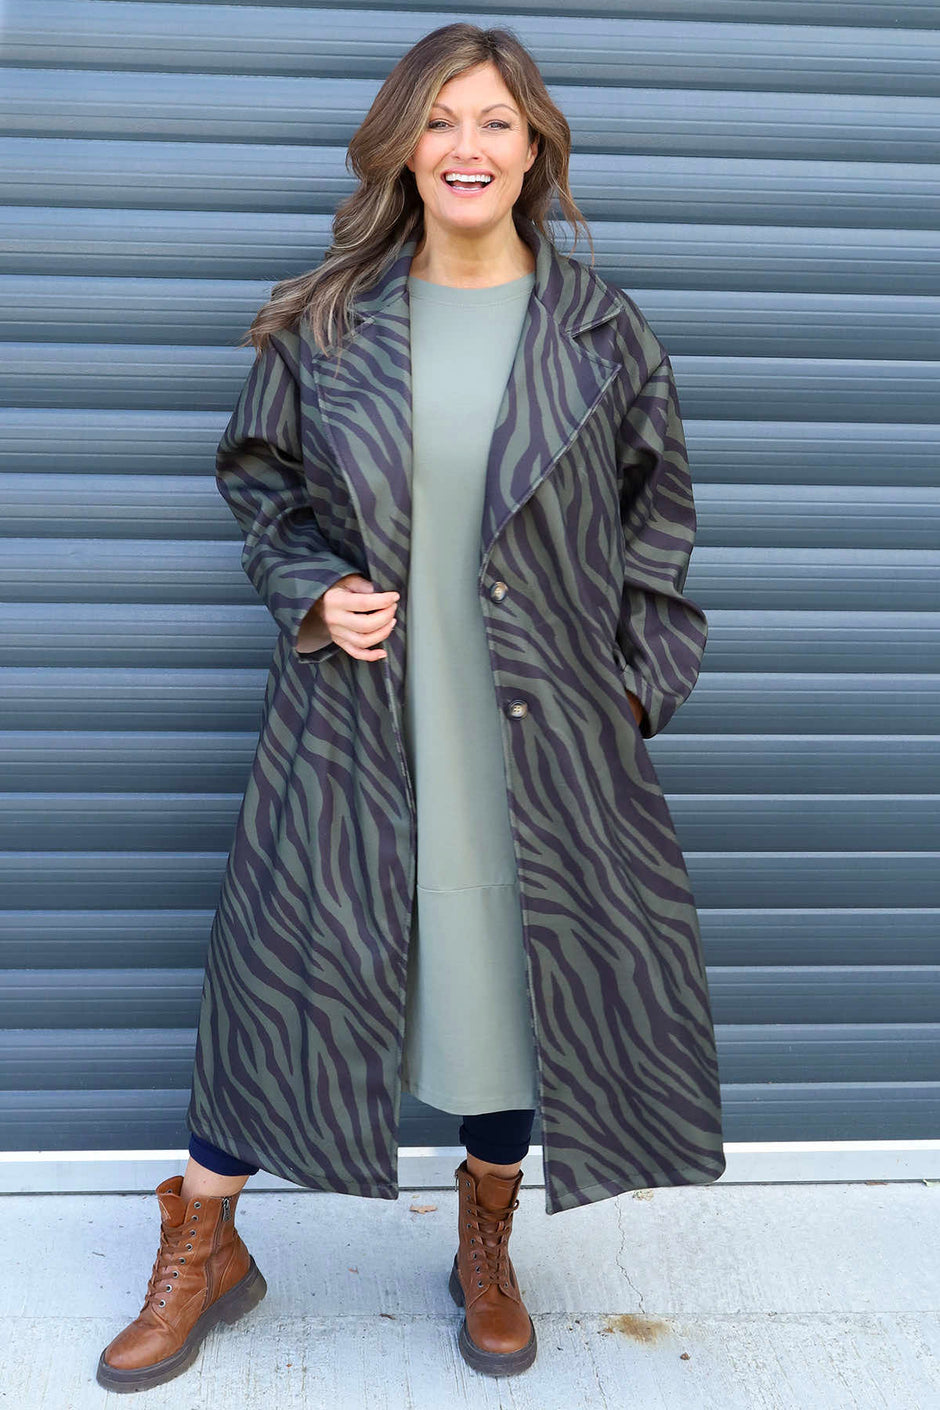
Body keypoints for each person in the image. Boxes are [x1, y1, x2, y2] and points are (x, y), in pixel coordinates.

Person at [97, 19, 724, 1393]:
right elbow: (260, 487)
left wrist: (635, 690)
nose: (467, 146)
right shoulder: (327, 322)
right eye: (440, 120)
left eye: (495, 120)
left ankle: (485, 1238)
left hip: (540, 736)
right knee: (283, 980)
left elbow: (659, 521)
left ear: (536, 147)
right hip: (358, 724)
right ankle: (204, 1243)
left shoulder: (603, 332)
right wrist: (314, 590)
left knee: (511, 986)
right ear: (403, 148)